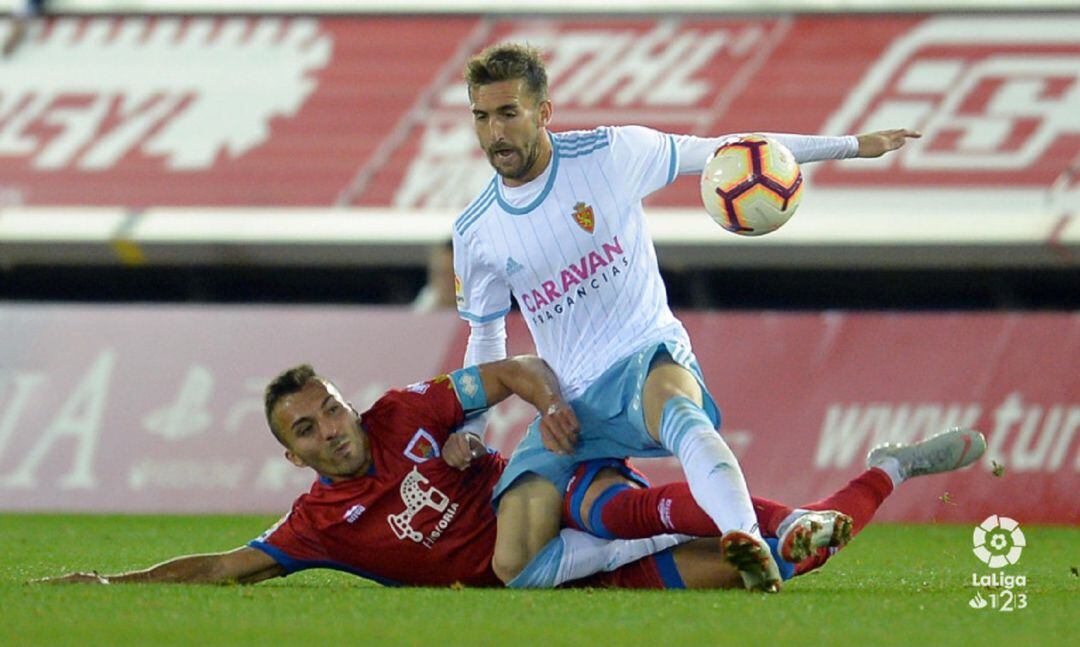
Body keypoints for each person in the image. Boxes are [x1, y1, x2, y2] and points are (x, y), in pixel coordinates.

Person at [452, 42, 923, 591]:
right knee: (516, 568)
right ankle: (653, 540)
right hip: (570, 400)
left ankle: (744, 536)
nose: (495, 134)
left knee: (678, 409)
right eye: (481, 117)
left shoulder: (611, 154)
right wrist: (474, 426)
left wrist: (851, 146)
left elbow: (725, 151)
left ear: (543, 112)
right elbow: (485, 334)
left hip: (642, 352)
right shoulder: (476, 229)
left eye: (508, 114)